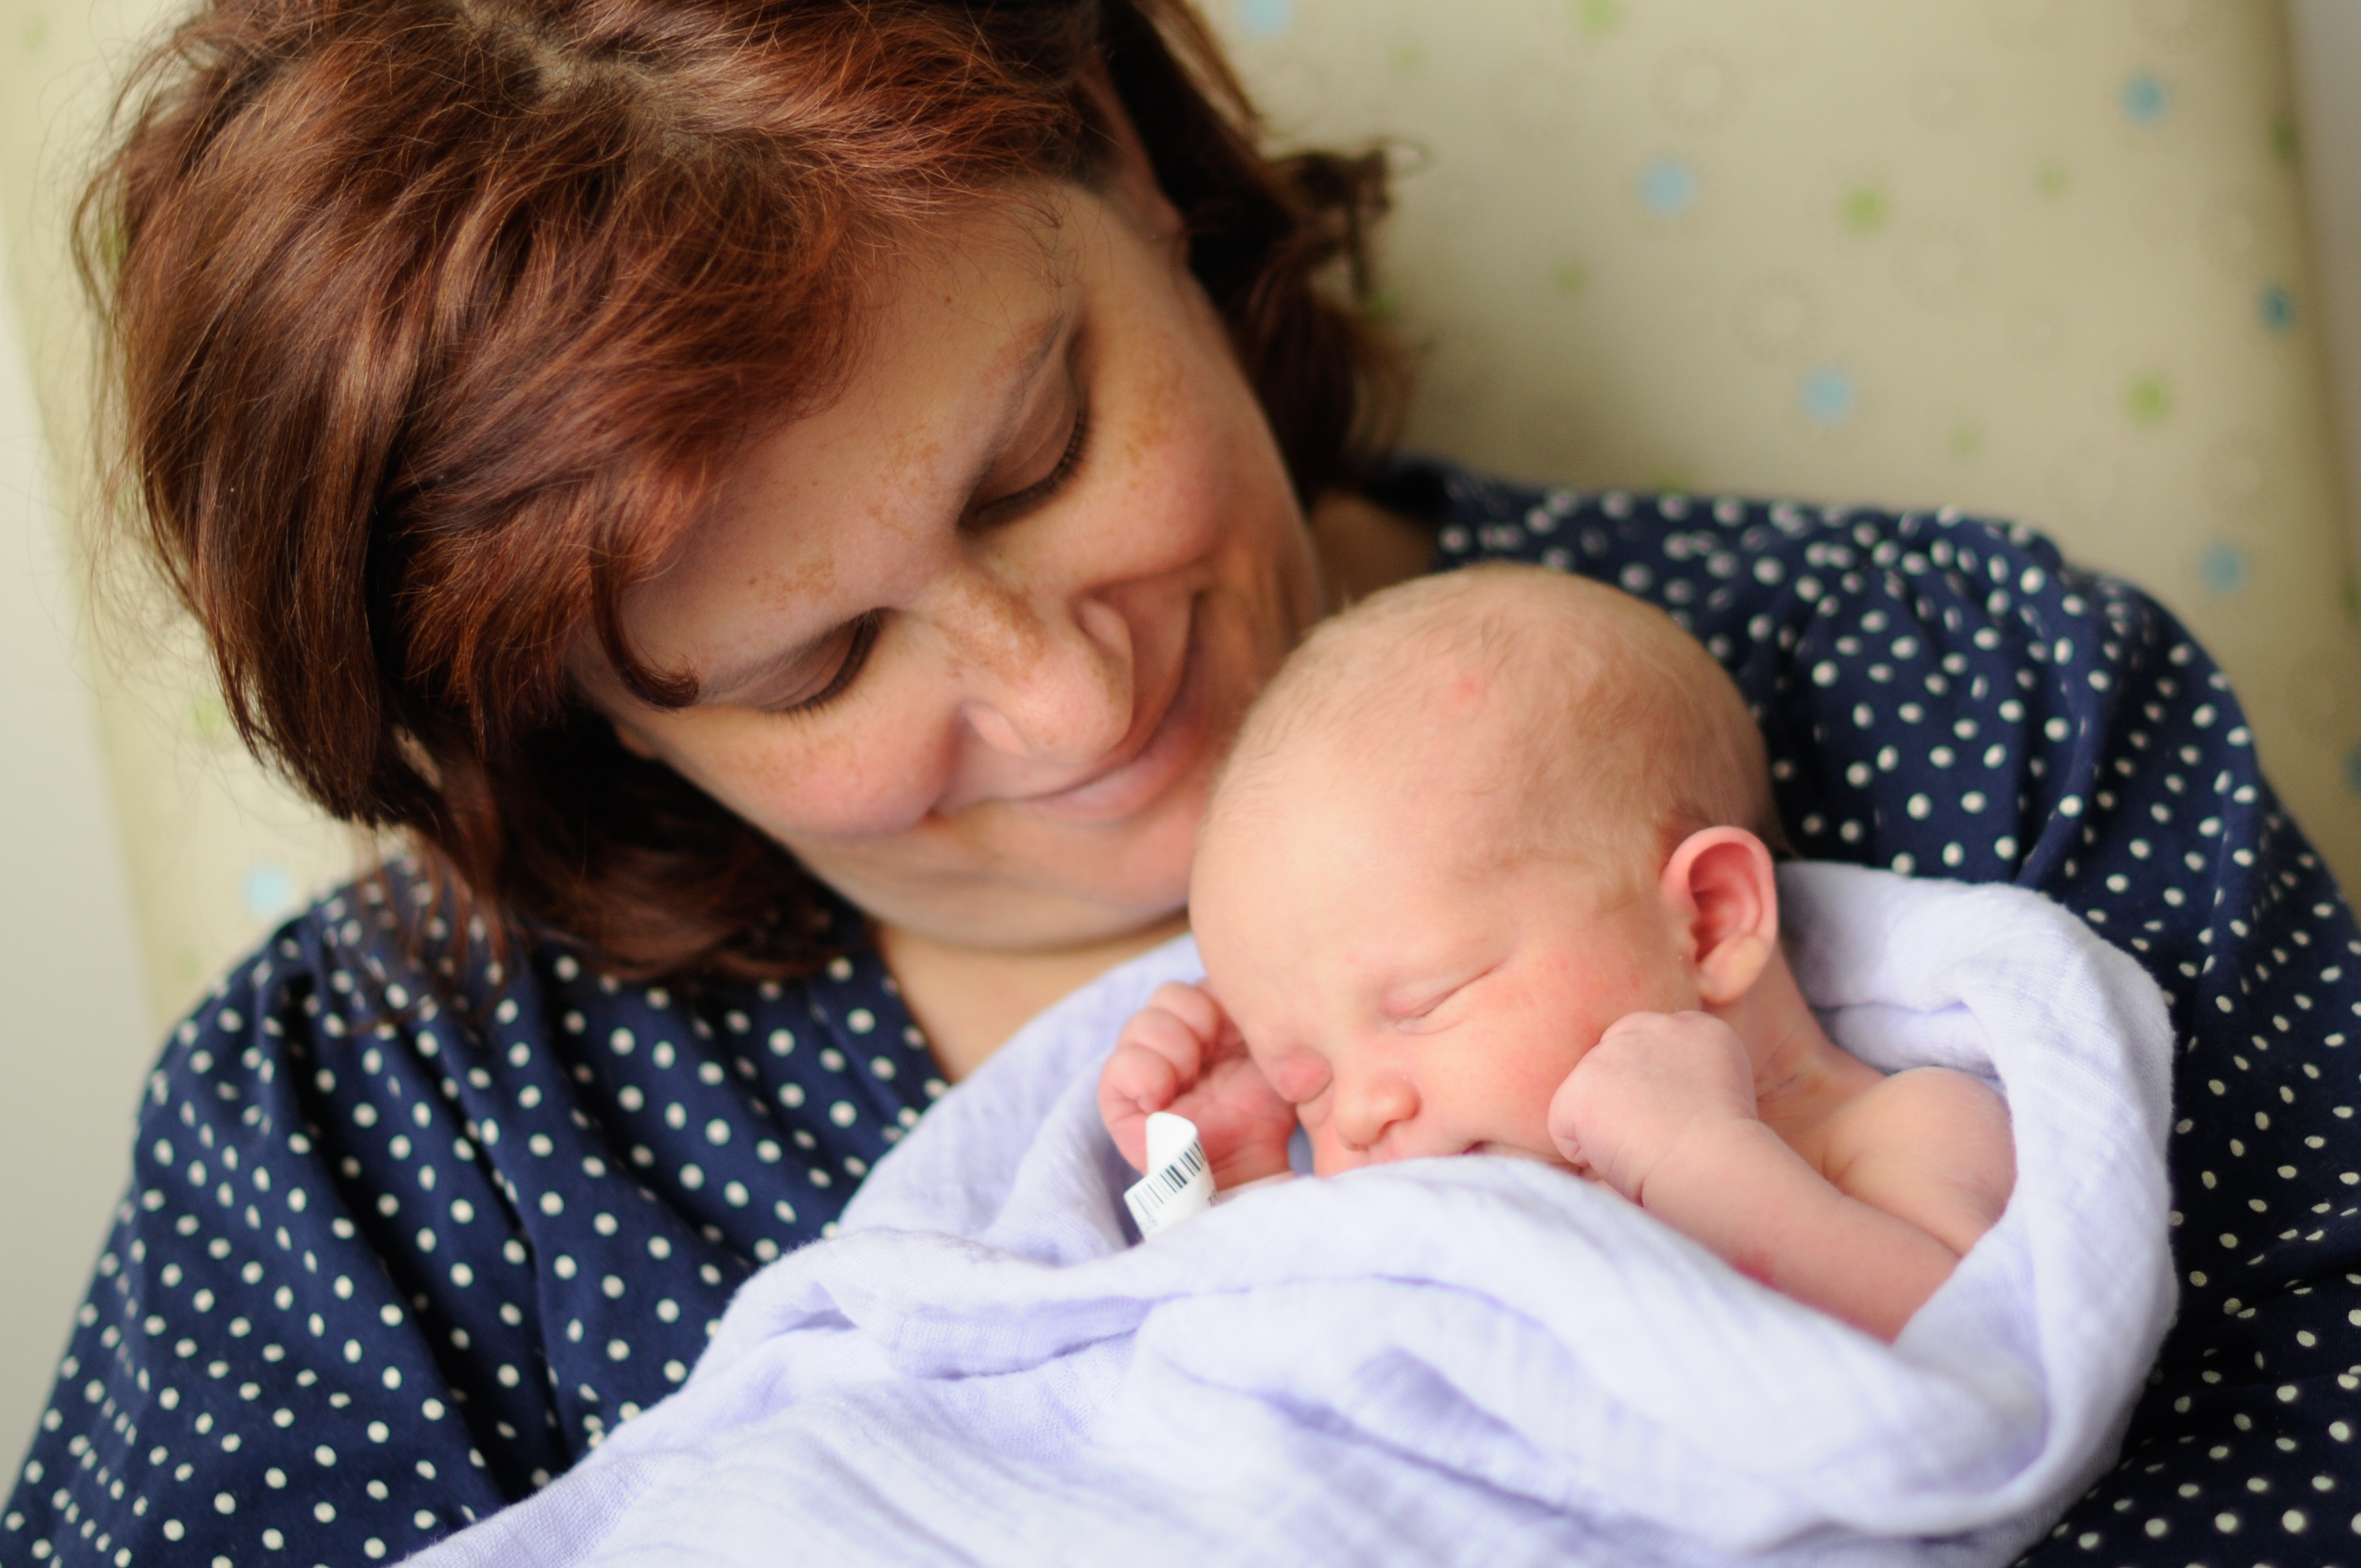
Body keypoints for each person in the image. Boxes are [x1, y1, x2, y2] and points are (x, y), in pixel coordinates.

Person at [2, 1, 2350, 1563]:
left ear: (1126, 164)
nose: (1059, 704)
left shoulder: (1970, 704)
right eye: (815, 661)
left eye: (1035, 458)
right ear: (581, 718)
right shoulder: (371, 1133)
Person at [1098, 566, 2017, 1342]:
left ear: (1706, 920)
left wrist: (1698, 1161)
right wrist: (1242, 1185)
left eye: (1424, 1002)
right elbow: (1312, 1365)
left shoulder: (1903, 1128)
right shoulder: (1444, 1222)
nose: (1363, 1114)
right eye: (1308, 1085)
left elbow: (1976, 1374)